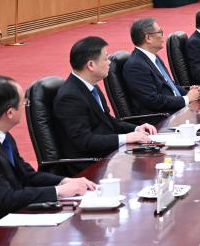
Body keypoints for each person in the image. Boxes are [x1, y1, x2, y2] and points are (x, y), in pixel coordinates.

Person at [0, 76, 96, 239]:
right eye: (23, 103)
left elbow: (27, 175)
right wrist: (58, 191)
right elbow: (5, 198)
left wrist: (64, 181)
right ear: (10, 113)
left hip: (10, 218)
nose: (25, 105)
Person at [52, 37, 157, 174]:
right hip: (89, 166)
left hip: (107, 156)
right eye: (105, 59)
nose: (109, 63)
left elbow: (108, 121)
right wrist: (126, 138)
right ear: (91, 65)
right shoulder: (70, 97)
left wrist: (137, 129)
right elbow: (85, 141)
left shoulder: (90, 87)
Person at [123, 17, 200, 115]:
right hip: (161, 119)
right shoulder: (135, 65)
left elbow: (170, 86)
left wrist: (191, 92)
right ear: (148, 38)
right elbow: (152, 101)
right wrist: (187, 99)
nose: (163, 36)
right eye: (160, 32)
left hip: (175, 111)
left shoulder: (154, 58)